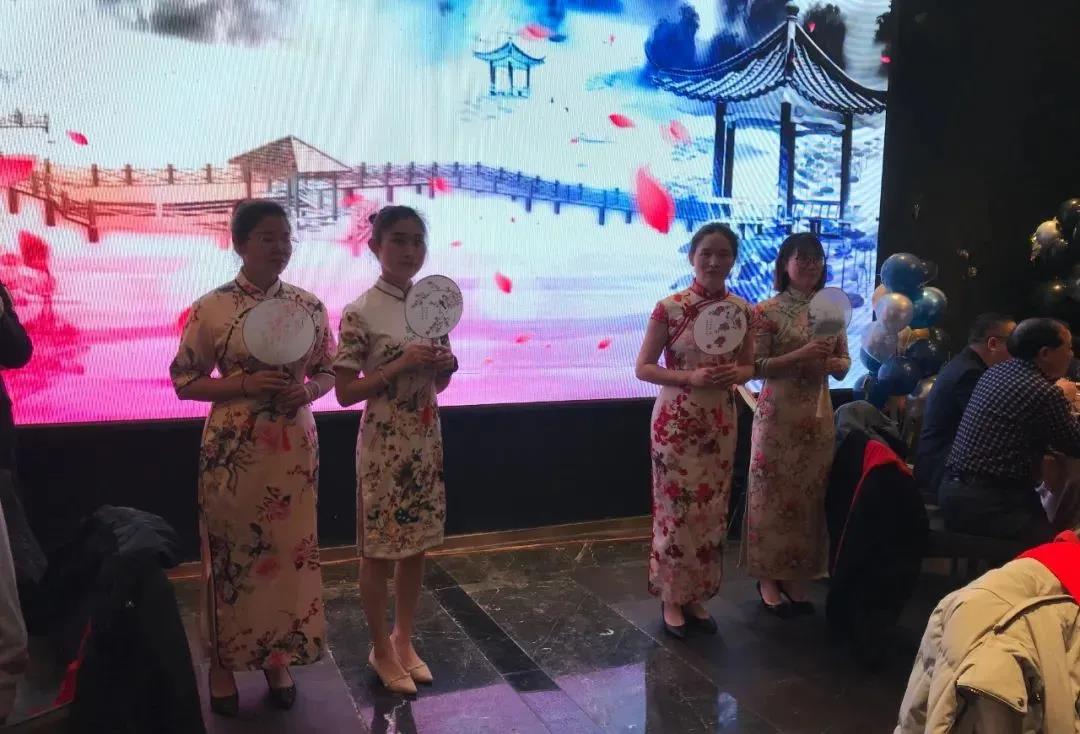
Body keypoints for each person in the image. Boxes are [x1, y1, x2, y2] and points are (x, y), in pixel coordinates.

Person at [170, 200, 336, 715]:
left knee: (287, 556)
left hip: (293, 450)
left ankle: (276, 658)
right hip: (234, 451)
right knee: (231, 557)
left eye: (286, 237)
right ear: (240, 244)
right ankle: (222, 662)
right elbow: (184, 381)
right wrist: (242, 384)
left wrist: (309, 391)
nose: (280, 246)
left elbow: (330, 369)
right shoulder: (212, 307)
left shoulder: (308, 305)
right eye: (267, 237)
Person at [334, 206, 457, 695]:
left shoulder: (433, 306)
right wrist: (401, 363)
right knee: (379, 551)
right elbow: (345, 392)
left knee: (416, 545)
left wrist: (446, 365)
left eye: (417, 241)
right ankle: (379, 648)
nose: (409, 251)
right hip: (383, 443)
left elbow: (438, 385)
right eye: (399, 241)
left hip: (425, 438)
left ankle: (403, 637)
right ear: (375, 247)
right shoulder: (361, 311)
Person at [635, 222, 754, 639]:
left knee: (712, 508)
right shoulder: (669, 308)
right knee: (676, 510)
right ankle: (671, 596)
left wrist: (735, 374)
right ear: (692, 257)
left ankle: (698, 594)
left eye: (723, 254)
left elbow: (749, 365)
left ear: (733, 260)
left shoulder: (742, 310)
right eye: (707, 253)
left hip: (720, 419)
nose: (714, 261)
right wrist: (690, 377)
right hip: (677, 420)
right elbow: (643, 367)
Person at [744, 233, 850, 618]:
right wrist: (801, 354)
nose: (809, 265)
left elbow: (844, 365)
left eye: (815, 258)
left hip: (817, 417)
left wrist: (832, 364)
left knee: (808, 499)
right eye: (801, 258)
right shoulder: (766, 311)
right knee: (770, 497)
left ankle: (794, 575)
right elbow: (754, 367)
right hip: (777, 415)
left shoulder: (831, 311)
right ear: (784, 264)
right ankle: (767, 578)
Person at [940, 318, 1080, 543]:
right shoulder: (1043, 392)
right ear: (1045, 353)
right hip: (991, 504)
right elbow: (1074, 444)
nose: (1071, 355)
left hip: (954, 491)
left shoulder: (995, 372)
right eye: (1068, 348)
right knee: (1060, 547)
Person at [914, 313, 1015, 497]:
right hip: (943, 471)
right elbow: (993, 429)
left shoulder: (965, 364)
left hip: (940, 463)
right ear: (993, 343)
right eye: (1014, 344)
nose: (1018, 354)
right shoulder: (970, 374)